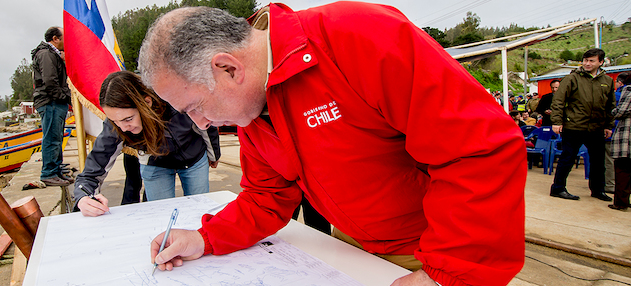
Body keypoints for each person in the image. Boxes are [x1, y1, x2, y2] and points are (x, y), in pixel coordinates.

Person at [138, 3, 526, 286]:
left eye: (196, 106)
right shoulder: (252, 106)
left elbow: (477, 150)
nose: (199, 123)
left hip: (435, 248)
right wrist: (205, 238)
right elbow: (266, 195)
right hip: (352, 244)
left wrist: (448, 275)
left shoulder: (359, 37)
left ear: (228, 68)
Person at [74, 71, 221, 216]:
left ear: (147, 102)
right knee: (160, 215)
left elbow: (207, 126)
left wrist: (213, 154)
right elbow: (93, 169)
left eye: (128, 119)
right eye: (115, 121)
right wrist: (83, 196)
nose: (123, 128)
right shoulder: (117, 124)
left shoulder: (175, 99)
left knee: (199, 209)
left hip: (194, 158)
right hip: (156, 163)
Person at [549, 48, 615, 201]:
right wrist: (557, 121)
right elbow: (558, 100)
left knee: (599, 161)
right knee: (568, 158)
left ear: (601, 62)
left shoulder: (607, 81)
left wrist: (608, 125)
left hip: (596, 127)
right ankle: (558, 188)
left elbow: (610, 105)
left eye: (592, 61)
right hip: (574, 126)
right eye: (585, 60)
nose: (587, 63)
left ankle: (598, 190)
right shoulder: (572, 78)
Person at [31, 26, 73, 186]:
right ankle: (49, 173)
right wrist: (64, 97)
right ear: (55, 39)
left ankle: (56, 170)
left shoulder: (53, 55)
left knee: (57, 137)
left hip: (55, 101)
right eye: (64, 38)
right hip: (51, 102)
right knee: (52, 138)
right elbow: (50, 81)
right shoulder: (46, 54)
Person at [610, 69, 631, 210]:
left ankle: (621, 202)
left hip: (629, 135)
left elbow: (622, 111)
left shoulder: (630, 89)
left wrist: (612, 110)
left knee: (623, 170)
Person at [604, 72, 631, 194]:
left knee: (610, 160)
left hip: (613, 132)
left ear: (619, 82)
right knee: (628, 163)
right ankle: (630, 187)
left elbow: (612, 112)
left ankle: (610, 185)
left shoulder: (617, 95)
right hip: (630, 136)